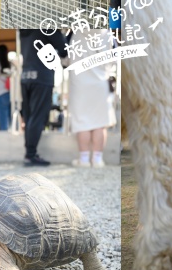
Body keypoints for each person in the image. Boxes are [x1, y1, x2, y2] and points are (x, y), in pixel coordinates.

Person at [19, 29, 68, 166]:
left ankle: (29, 153)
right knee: (38, 117)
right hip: (42, 76)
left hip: (25, 76)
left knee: (29, 117)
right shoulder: (48, 26)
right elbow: (64, 49)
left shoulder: (22, 29)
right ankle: (30, 155)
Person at [68, 30, 116, 167]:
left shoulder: (74, 32)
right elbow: (114, 58)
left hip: (79, 84)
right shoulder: (107, 33)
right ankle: (97, 159)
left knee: (82, 122)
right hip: (100, 82)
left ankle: (83, 160)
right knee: (100, 124)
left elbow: (65, 57)